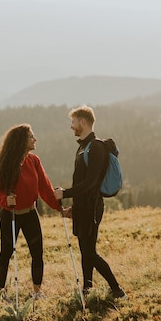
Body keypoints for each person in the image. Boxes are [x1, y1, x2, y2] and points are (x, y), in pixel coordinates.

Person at [54, 105, 126, 299]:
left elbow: (91, 182)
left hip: (92, 207)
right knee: (85, 250)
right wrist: (73, 207)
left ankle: (116, 289)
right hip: (83, 207)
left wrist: (65, 193)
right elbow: (82, 182)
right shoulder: (82, 146)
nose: (71, 126)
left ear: (83, 122)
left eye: (73, 122)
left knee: (89, 251)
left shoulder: (96, 147)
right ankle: (87, 289)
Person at [0, 123, 60, 300]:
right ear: (22, 141)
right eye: (31, 136)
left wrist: (60, 209)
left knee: (37, 253)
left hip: (30, 214)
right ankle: (1, 293)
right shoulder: (4, 164)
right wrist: (5, 200)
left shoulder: (34, 161)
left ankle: (37, 292)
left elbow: (45, 188)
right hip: (10, 215)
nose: (35, 139)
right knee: (6, 253)